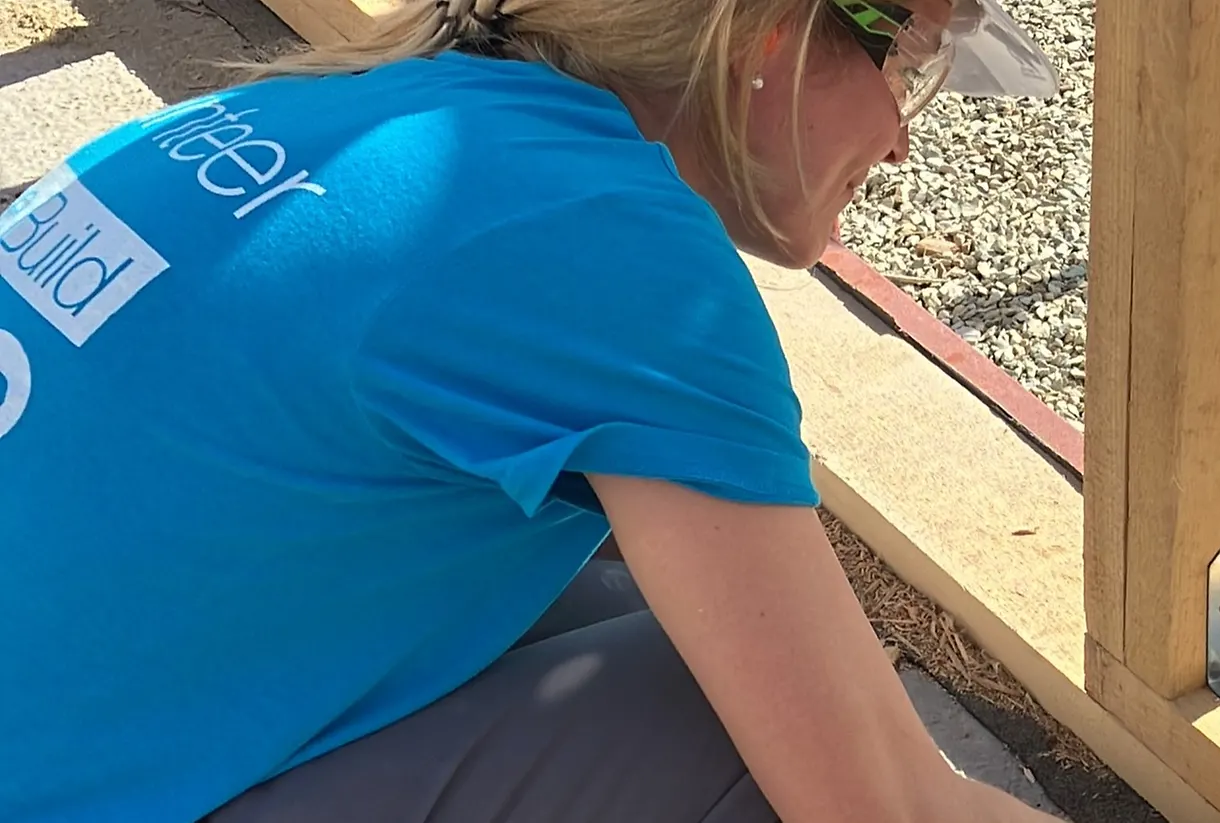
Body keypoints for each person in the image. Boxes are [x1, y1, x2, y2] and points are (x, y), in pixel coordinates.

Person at [0, 0, 1064, 820]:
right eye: (908, 68)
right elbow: (876, 802)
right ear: (773, 37)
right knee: (727, 735)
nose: (899, 145)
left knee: (635, 604)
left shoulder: (357, 98)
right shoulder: (615, 239)